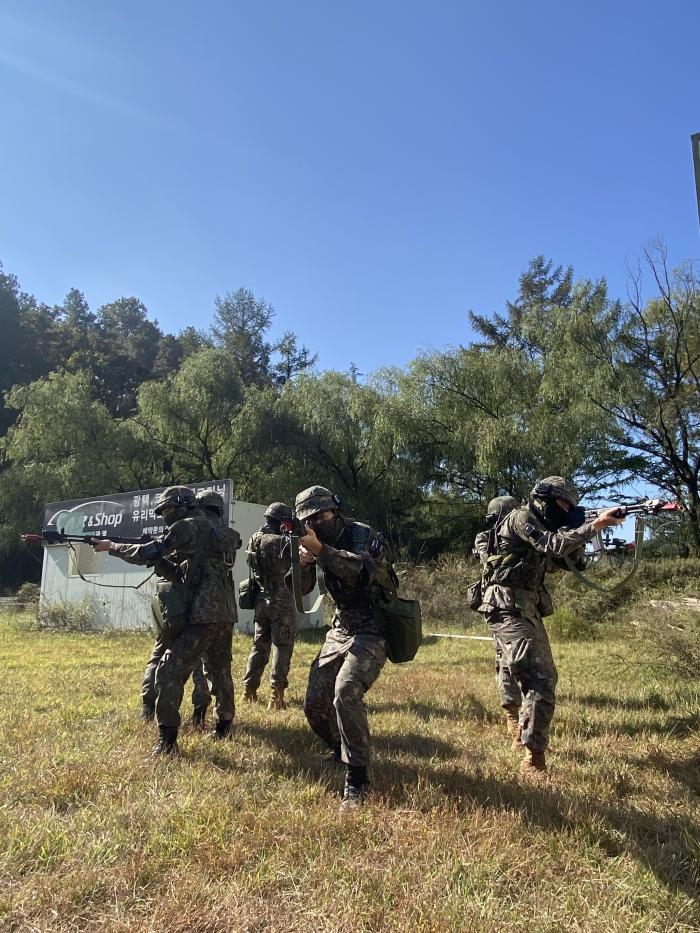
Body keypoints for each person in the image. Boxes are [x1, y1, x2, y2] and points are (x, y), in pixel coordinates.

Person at [476, 476, 623, 777]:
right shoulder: (521, 518)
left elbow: (569, 565)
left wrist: (579, 533)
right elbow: (552, 546)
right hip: (506, 605)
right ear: (543, 499)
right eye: (563, 504)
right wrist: (594, 526)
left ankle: (525, 739)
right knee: (540, 679)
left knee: (536, 676)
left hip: (525, 607)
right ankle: (533, 759)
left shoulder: (545, 527)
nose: (567, 509)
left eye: (571, 506)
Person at [92, 485, 236, 756]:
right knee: (219, 670)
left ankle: (167, 742)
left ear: (183, 505)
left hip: (201, 614)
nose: (164, 516)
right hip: (225, 613)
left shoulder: (186, 527)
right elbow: (184, 573)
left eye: (167, 510)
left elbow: (149, 552)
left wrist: (112, 547)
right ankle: (224, 726)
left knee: (168, 672)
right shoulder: (216, 532)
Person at [293, 485, 397, 813]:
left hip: (374, 627)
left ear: (336, 511)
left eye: (321, 516)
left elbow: (359, 571)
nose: (317, 522)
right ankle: (340, 750)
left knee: (346, 691)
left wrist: (320, 550)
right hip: (341, 628)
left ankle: (357, 779)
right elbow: (301, 589)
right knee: (314, 704)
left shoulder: (361, 535)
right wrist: (304, 562)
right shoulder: (316, 543)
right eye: (309, 520)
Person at [473, 496, 521, 744]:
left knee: (513, 660)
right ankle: (512, 713)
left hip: (521, 604)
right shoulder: (486, 538)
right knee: (506, 660)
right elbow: (491, 561)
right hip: (499, 605)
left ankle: (517, 714)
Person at [242, 502, 298, 710]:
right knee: (282, 647)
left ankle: (249, 690)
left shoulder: (254, 540)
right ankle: (276, 696)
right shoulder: (279, 542)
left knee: (259, 646)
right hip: (281, 600)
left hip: (261, 600)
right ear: (282, 521)